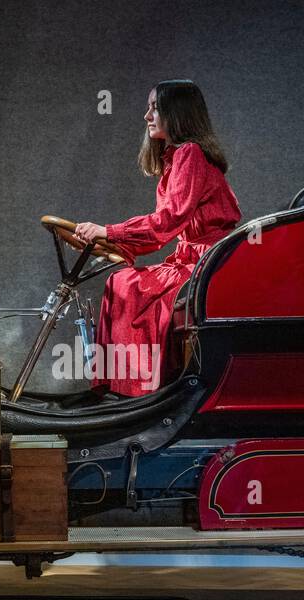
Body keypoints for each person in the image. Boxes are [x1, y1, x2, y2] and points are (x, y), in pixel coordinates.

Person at [75, 79, 241, 396]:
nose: (147, 115)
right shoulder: (176, 160)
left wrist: (108, 230)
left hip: (207, 267)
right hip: (192, 261)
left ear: (175, 112)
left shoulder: (190, 154)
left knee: (126, 287)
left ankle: (134, 392)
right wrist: (113, 243)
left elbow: (166, 222)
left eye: (154, 107)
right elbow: (158, 235)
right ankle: (118, 389)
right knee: (121, 281)